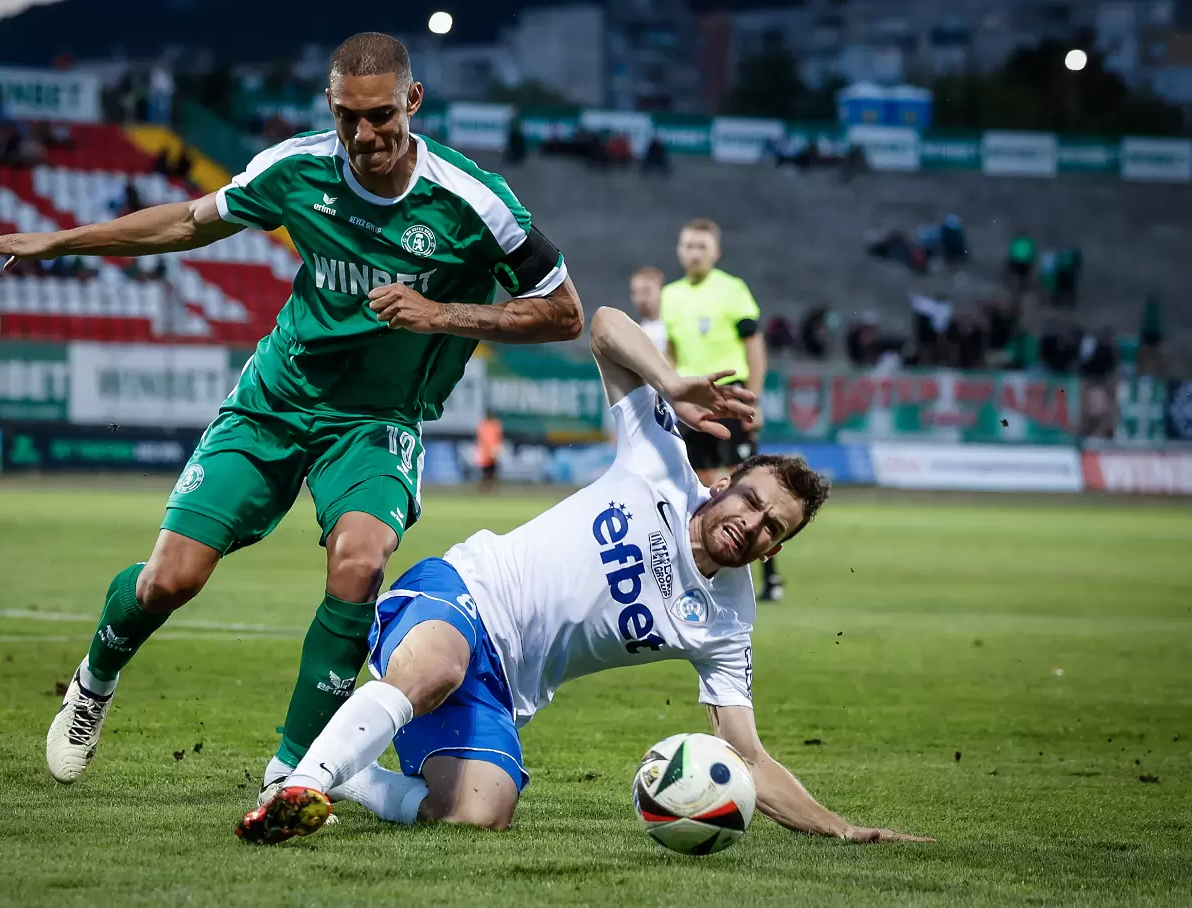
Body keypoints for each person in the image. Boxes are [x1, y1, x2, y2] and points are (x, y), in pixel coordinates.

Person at [0, 32, 583, 788]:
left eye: (381, 115)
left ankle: (292, 770)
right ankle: (92, 683)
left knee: (360, 562)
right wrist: (58, 243)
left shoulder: (473, 202)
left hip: (376, 422)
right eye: (348, 117)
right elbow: (191, 222)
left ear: (413, 102)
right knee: (171, 580)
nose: (364, 136)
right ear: (331, 108)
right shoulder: (297, 169)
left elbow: (563, 314)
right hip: (276, 401)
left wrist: (439, 313)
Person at [240, 307, 932, 846]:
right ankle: (297, 785)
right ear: (721, 483)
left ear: (775, 546)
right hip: (462, 593)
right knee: (437, 669)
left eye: (772, 527)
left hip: (508, 686)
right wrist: (668, 380)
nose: (753, 525)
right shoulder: (659, 462)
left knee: (480, 813)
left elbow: (746, 754)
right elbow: (603, 327)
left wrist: (839, 827)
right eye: (751, 501)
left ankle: (357, 778)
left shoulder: (727, 621)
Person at [660, 219, 781, 602]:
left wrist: (754, 400)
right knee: (698, 487)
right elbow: (671, 353)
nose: (694, 253)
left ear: (716, 252)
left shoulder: (732, 290)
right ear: (679, 250)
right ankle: (701, 573)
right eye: (688, 245)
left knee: (745, 489)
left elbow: (754, 346)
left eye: (701, 246)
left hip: (731, 397)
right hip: (692, 401)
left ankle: (770, 578)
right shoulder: (670, 295)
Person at [629, 265, 666, 356]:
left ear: (661, 290)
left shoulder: (674, 325)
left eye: (646, 291)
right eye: (635, 292)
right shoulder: (636, 333)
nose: (640, 299)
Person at [474, 411, 502, 493]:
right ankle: (485, 489)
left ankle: (489, 489)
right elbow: (484, 440)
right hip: (486, 454)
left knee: (491, 473)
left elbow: (497, 439)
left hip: (490, 453)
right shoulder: (484, 425)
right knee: (487, 473)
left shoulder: (494, 425)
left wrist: (495, 450)